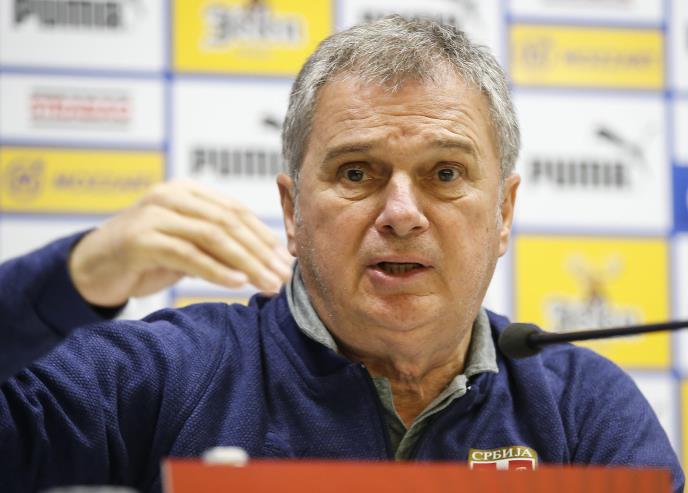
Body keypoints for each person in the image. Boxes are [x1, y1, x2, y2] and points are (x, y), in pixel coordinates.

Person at [0, 16, 682, 493]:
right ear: (292, 211)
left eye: (445, 173)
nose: (402, 213)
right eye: (357, 172)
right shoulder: (171, 374)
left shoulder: (581, 407)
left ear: (503, 213)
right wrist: (72, 278)